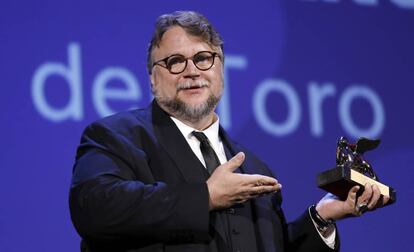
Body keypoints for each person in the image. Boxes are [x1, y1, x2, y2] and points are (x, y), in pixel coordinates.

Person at [69, 10, 389, 252]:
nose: (192, 71)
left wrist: (320, 218)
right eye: (175, 61)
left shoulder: (255, 169)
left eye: (204, 58)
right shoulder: (115, 137)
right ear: (153, 78)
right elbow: (94, 208)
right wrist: (205, 197)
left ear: (220, 69)